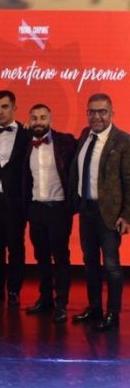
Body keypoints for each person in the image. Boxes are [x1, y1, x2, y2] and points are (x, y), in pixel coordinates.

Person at [70, 93, 130, 331]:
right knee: (90, 262)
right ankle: (94, 308)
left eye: (102, 112)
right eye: (92, 112)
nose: (96, 116)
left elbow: (129, 181)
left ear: (112, 113)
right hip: (87, 209)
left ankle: (113, 313)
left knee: (112, 265)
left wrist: (126, 215)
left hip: (110, 213)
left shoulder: (123, 141)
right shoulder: (85, 135)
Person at [23, 104, 77, 323]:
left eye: (42, 117)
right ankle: (45, 299)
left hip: (58, 210)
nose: (38, 121)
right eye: (34, 118)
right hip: (36, 209)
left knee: (61, 258)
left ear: (50, 119)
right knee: (41, 257)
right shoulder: (26, 144)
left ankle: (61, 304)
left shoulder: (65, 142)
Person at [0, 90, 30, 307]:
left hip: (16, 201)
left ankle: (14, 291)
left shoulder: (27, 135)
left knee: (16, 247)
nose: (0, 111)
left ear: (14, 108)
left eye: (5, 106)